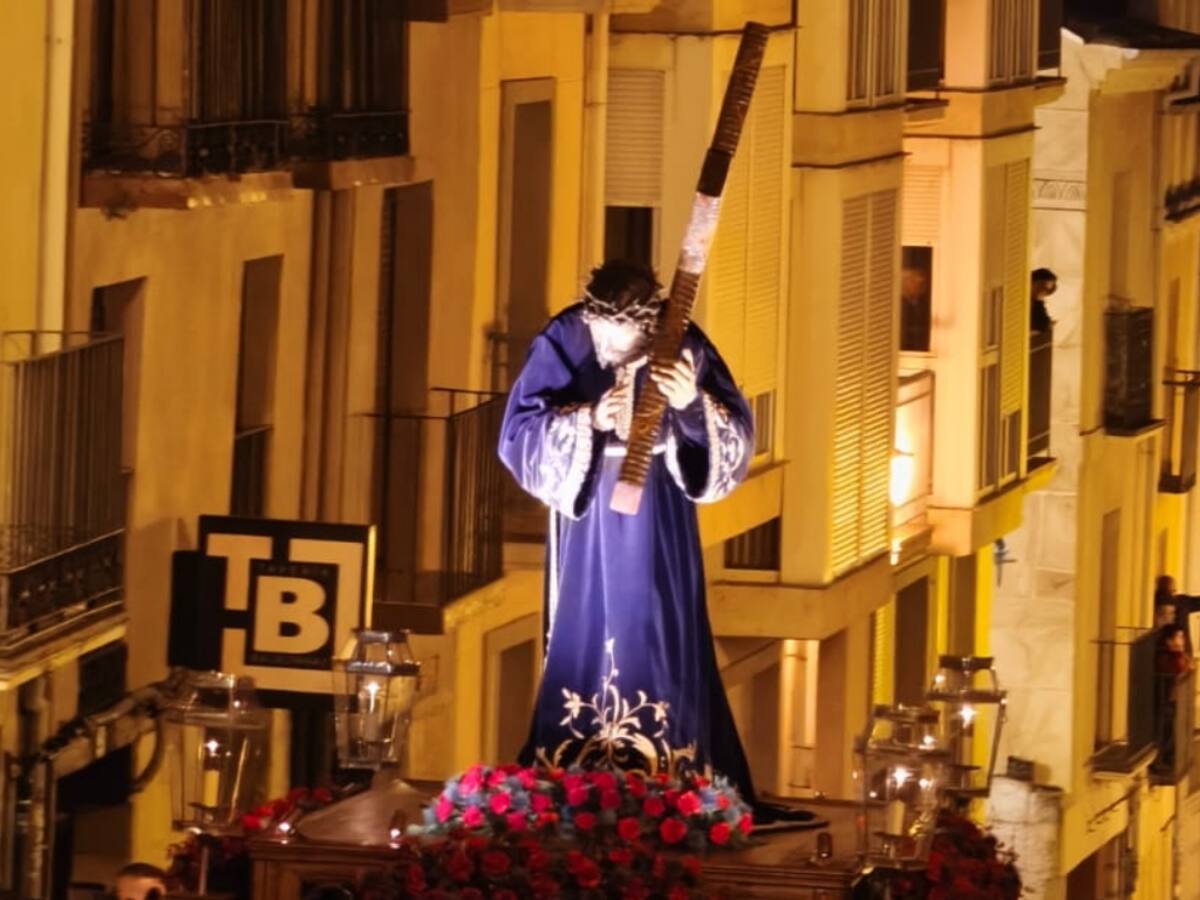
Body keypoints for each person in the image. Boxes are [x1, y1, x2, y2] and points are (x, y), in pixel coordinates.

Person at [498, 260, 759, 804]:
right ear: (591, 319)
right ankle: (574, 757)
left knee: (655, 623)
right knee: (585, 628)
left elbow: (734, 435)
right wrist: (589, 419)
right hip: (589, 516)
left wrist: (690, 404)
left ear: (647, 327)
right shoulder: (565, 336)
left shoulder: (683, 341)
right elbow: (518, 431)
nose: (613, 358)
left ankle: (666, 763)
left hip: (656, 517)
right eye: (604, 345)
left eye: (627, 349)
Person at [1155, 574, 1200, 656]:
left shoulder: (1152, 604)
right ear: (1173, 589)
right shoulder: (1183, 602)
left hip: (1161, 654)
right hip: (1183, 654)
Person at [1030, 268, 1057, 333]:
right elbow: (1041, 326)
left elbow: (1043, 325)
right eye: (1042, 287)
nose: (1044, 293)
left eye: (1048, 290)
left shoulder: (1036, 303)